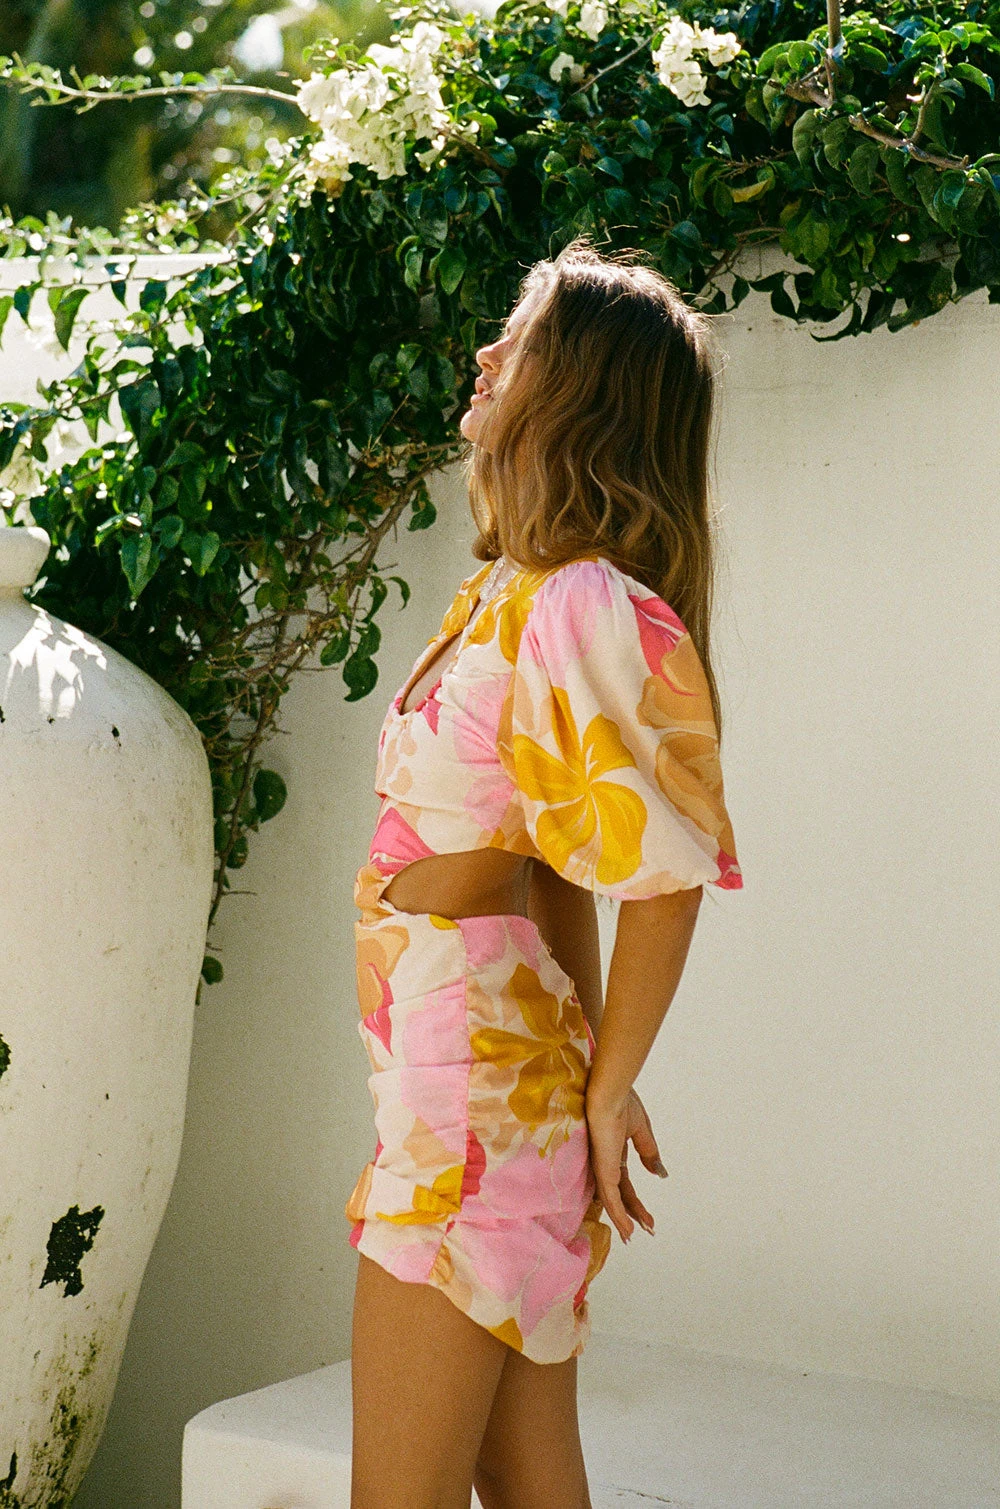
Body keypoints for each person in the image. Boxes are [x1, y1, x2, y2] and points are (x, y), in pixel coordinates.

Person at [345, 235, 743, 1509]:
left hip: (468, 1110)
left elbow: (663, 875)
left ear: (575, 390)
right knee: (526, 1483)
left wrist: (606, 1089)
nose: (483, 354)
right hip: (476, 1087)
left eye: (515, 340)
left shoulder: (583, 603)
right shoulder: (511, 592)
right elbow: (554, 865)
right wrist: (580, 1075)